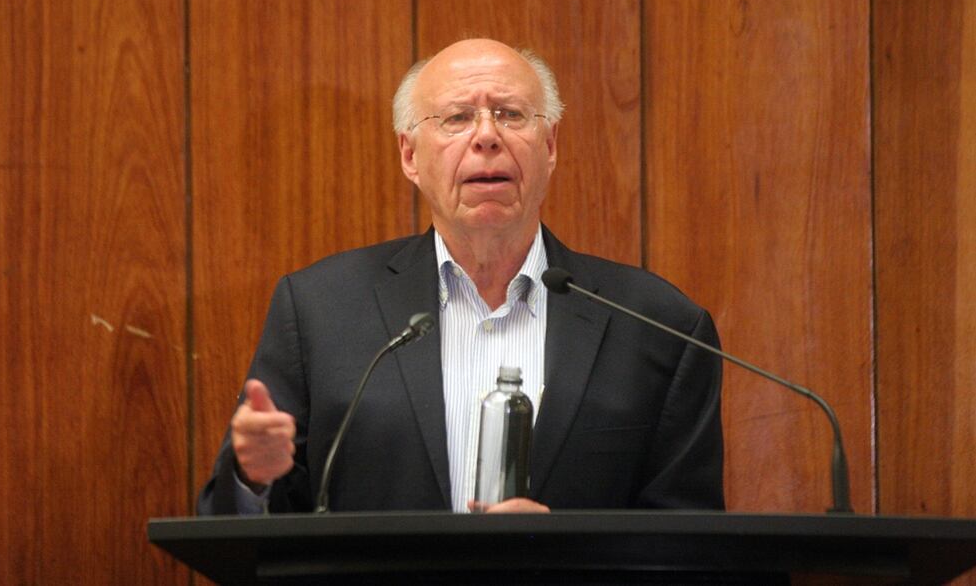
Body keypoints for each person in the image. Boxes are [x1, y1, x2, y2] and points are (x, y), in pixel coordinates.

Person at [197, 39, 724, 515]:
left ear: (551, 145)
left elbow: (694, 553)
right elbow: (237, 536)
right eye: (456, 119)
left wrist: (569, 551)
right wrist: (252, 479)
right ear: (410, 155)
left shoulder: (660, 326)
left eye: (512, 114)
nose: (487, 137)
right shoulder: (320, 310)